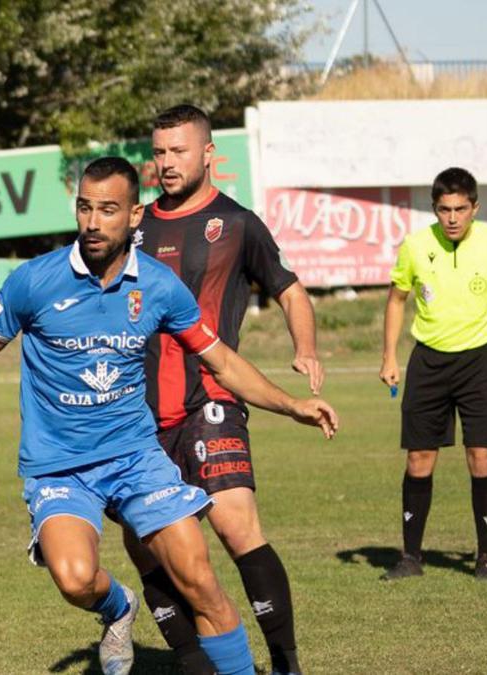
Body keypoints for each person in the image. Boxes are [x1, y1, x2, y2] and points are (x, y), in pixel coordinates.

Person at [0, 157, 338, 675]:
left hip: (135, 458)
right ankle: (118, 607)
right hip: (59, 465)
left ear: (134, 216)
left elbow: (219, 358)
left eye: (107, 210)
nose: (92, 221)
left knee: (201, 581)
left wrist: (290, 405)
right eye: (85, 207)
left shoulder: (157, 286)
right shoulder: (35, 280)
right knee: (75, 578)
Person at [124, 104, 323, 675]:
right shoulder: (133, 225)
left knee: (236, 522)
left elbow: (290, 291)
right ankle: (195, 661)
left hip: (211, 398)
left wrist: (304, 347)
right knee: (146, 544)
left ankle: (285, 663)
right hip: (138, 415)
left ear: (209, 154)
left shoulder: (236, 224)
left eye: (179, 150)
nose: (166, 162)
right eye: (159, 151)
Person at [380, 167, 487, 582]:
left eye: (460, 209)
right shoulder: (414, 246)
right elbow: (396, 299)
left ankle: (485, 558)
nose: (452, 218)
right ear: (435, 209)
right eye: (444, 209)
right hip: (428, 361)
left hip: (480, 362)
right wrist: (389, 357)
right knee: (419, 458)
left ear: (474, 208)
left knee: (481, 455)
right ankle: (411, 557)